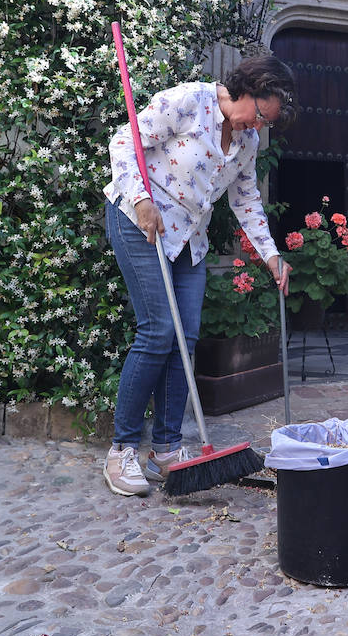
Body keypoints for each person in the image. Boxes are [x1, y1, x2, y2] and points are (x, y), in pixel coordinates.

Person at [102, 54, 296, 497]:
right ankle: (122, 450)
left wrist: (271, 256)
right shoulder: (188, 101)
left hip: (188, 237)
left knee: (185, 337)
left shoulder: (247, 143)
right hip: (140, 222)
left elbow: (246, 201)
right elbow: (123, 142)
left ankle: (167, 449)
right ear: (250, 89)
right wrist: (139, 199)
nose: (260, 126)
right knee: (157, 332)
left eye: (268, 123)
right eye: (261, 115)